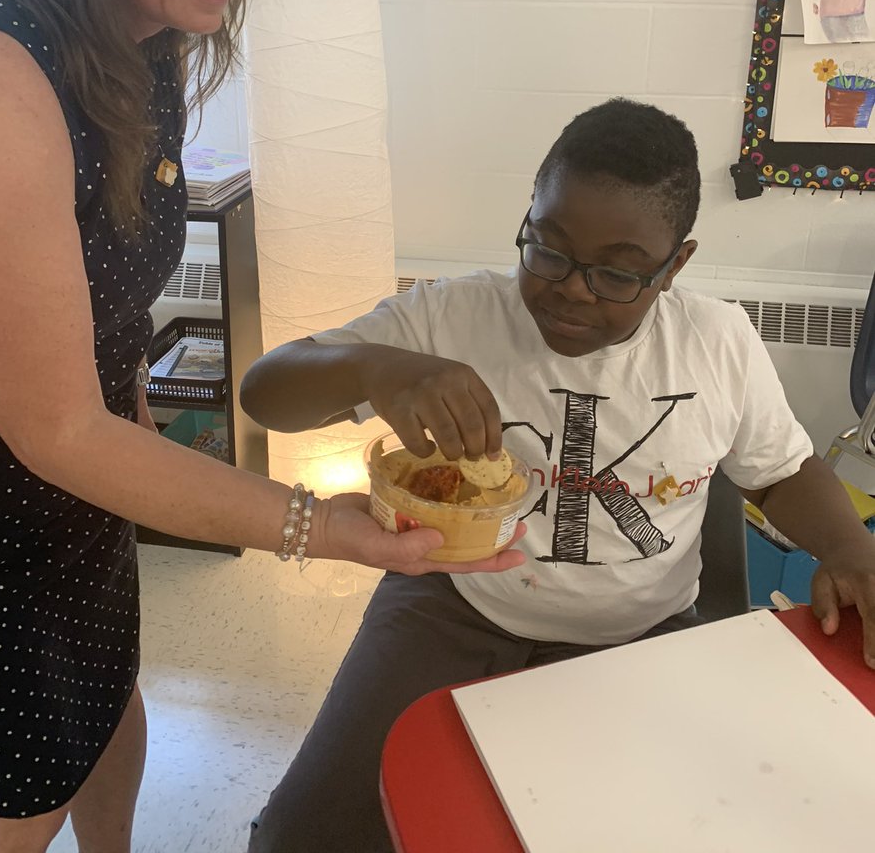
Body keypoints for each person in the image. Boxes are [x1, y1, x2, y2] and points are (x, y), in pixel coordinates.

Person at [0, 0, 524, 853]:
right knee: (16, 787)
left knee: (106, 712)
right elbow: (54, 426)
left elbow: (101, 346)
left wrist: (128, 488)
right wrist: (321, 527)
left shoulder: (137, 37)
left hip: (73, 509)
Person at [240, 98, 875, 853]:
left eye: (617, 273)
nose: (573, 288)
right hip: (455, 603)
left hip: (639, 631)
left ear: (675, 267)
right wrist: (378, 365)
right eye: (547, 251)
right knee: (306, 834)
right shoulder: (452, 318)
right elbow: (265, 394)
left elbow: (780, 472)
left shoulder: (716, 341)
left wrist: (851, 552)